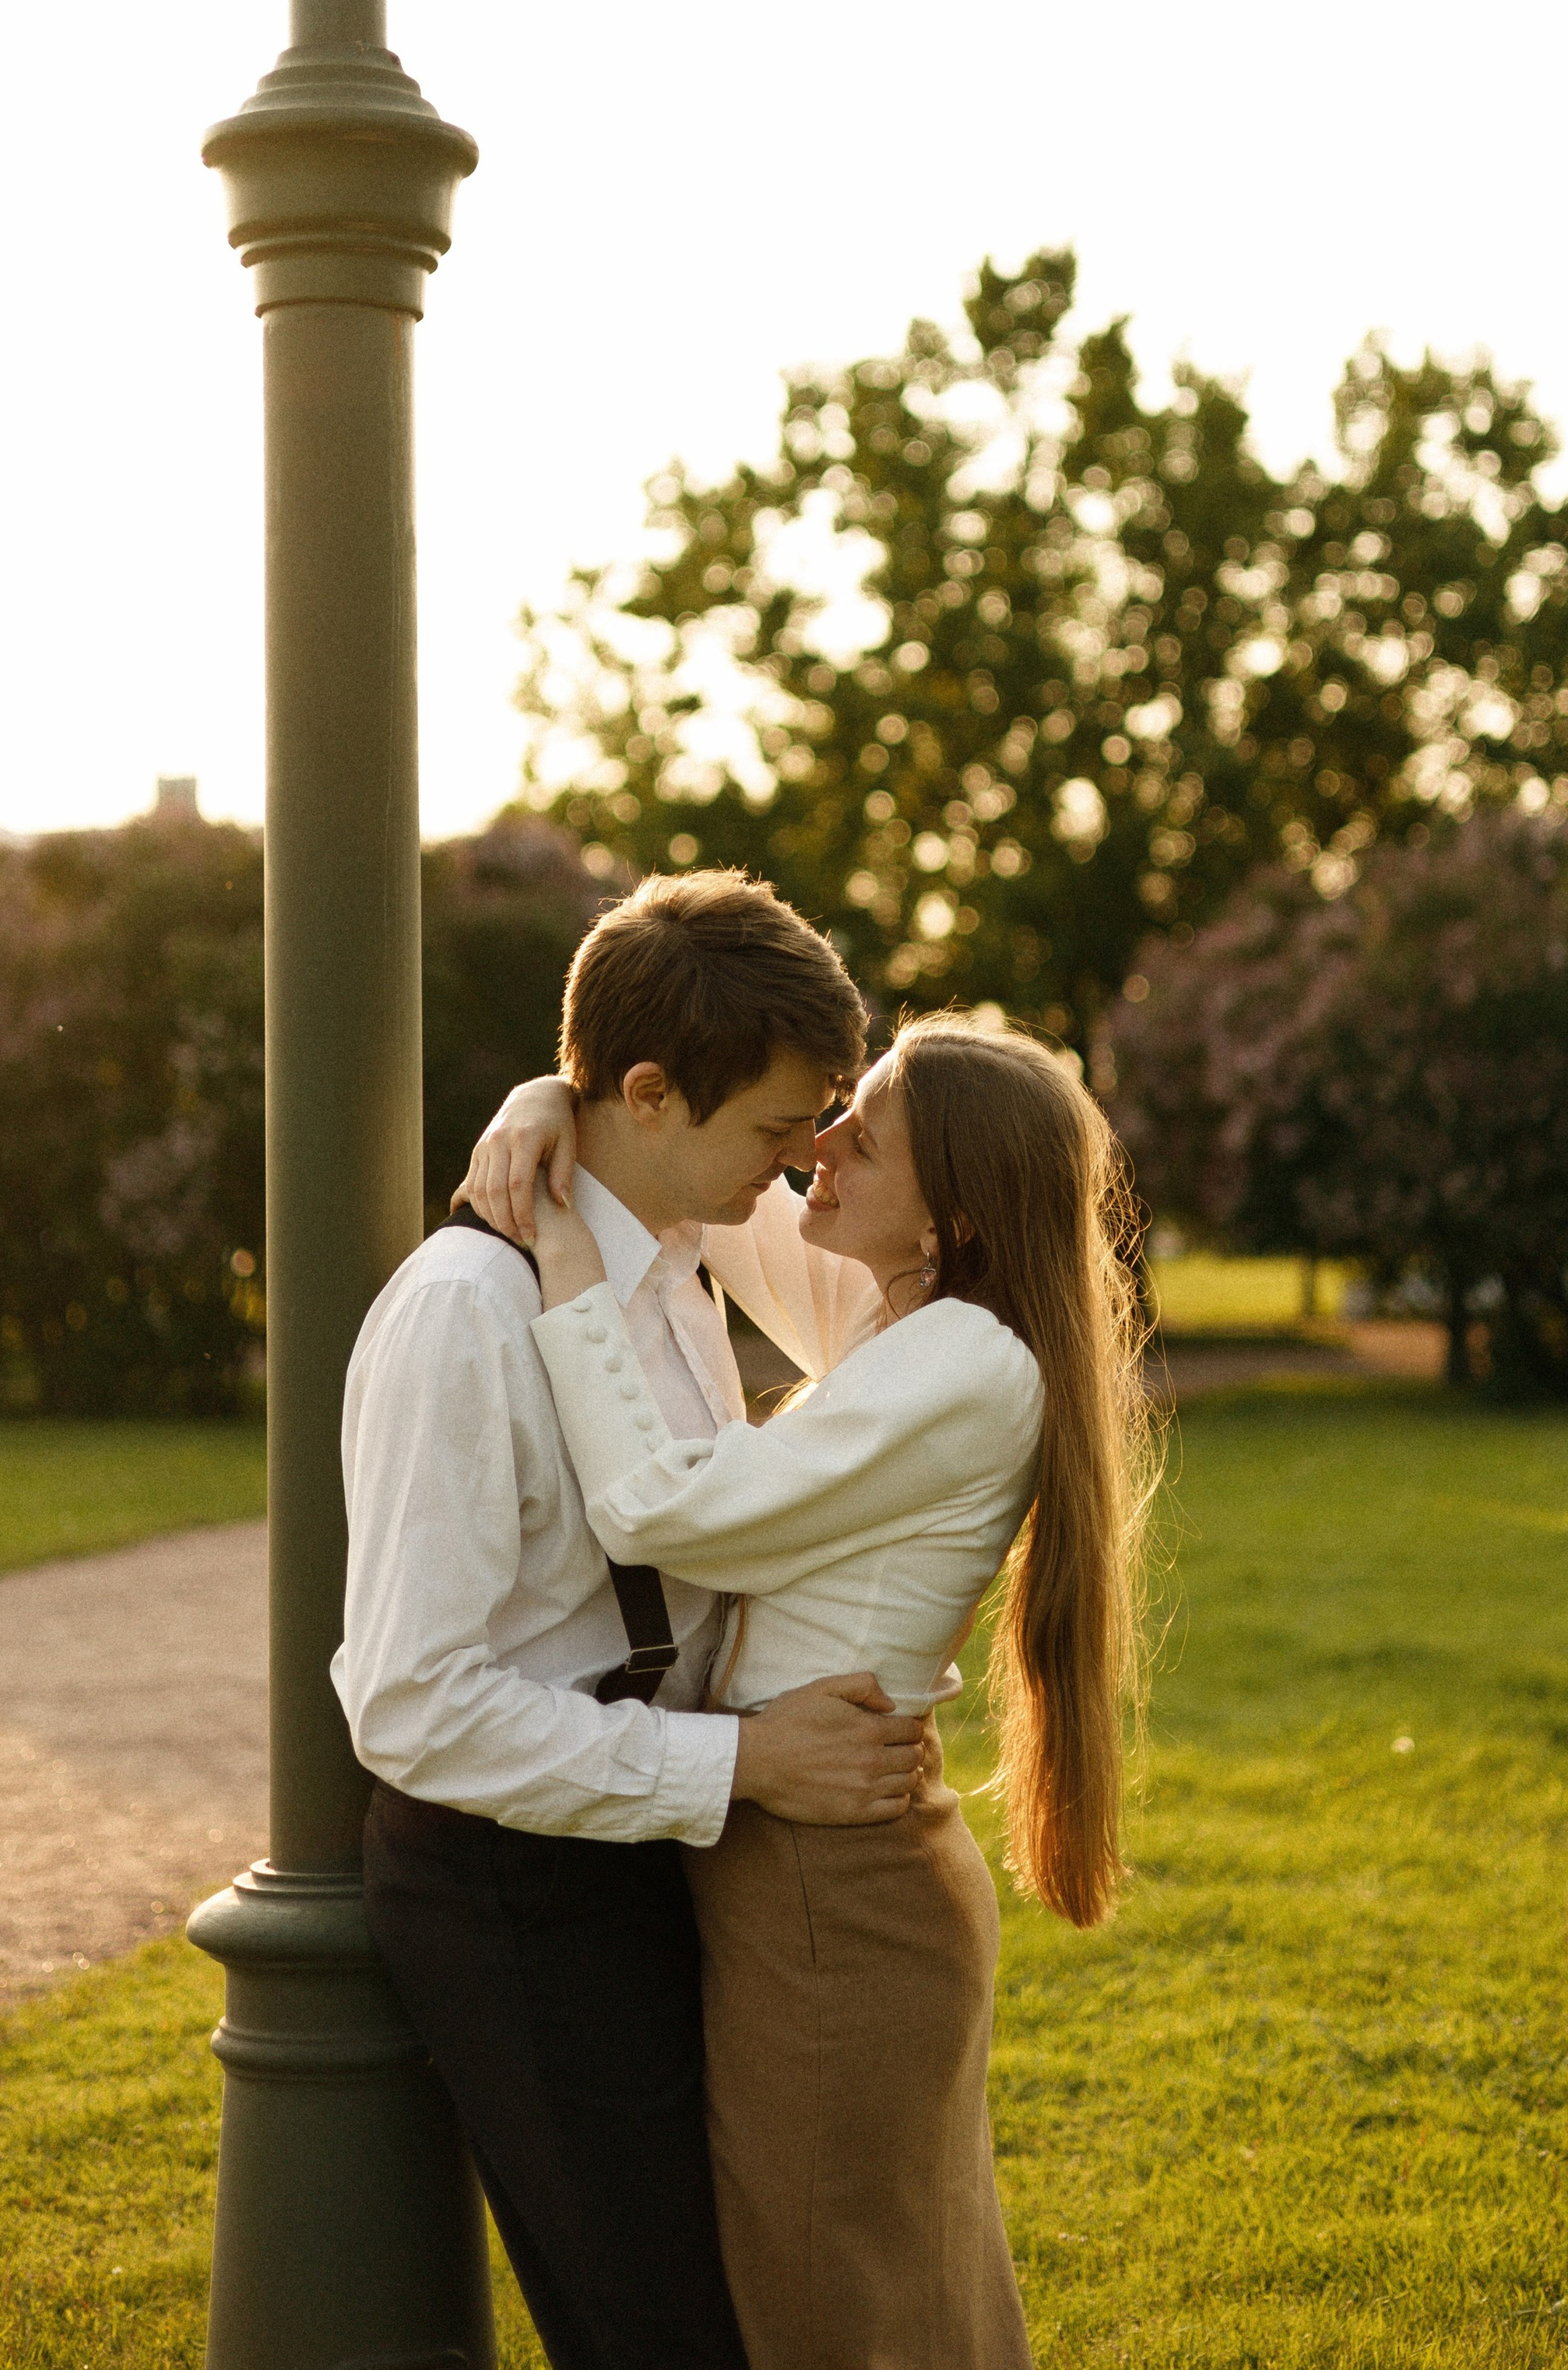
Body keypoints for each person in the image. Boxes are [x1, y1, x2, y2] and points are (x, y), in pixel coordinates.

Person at [464, 1007, 1151, 2370]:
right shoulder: (914, 1313)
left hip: (832, 1887)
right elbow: (697, 1179)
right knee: (900, 2304)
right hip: (830, 1859)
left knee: (833, 2315)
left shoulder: (964, 1362)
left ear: (954, 1216)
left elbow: (660, 1510)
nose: (813, 1147)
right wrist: (551, 1094)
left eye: (861, 1135)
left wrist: (564, 1261)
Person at [332, 870, 932, 2370]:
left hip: (654, 1844)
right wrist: (744, 1765)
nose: (803, 1160)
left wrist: (553, 1087)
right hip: (516, 1889)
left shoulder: (686, 1253)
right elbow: (413, 1704)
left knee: (748, 2295)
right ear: (653, 1094)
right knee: (661, 2333)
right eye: (780, 1126)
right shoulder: (465, 1311)